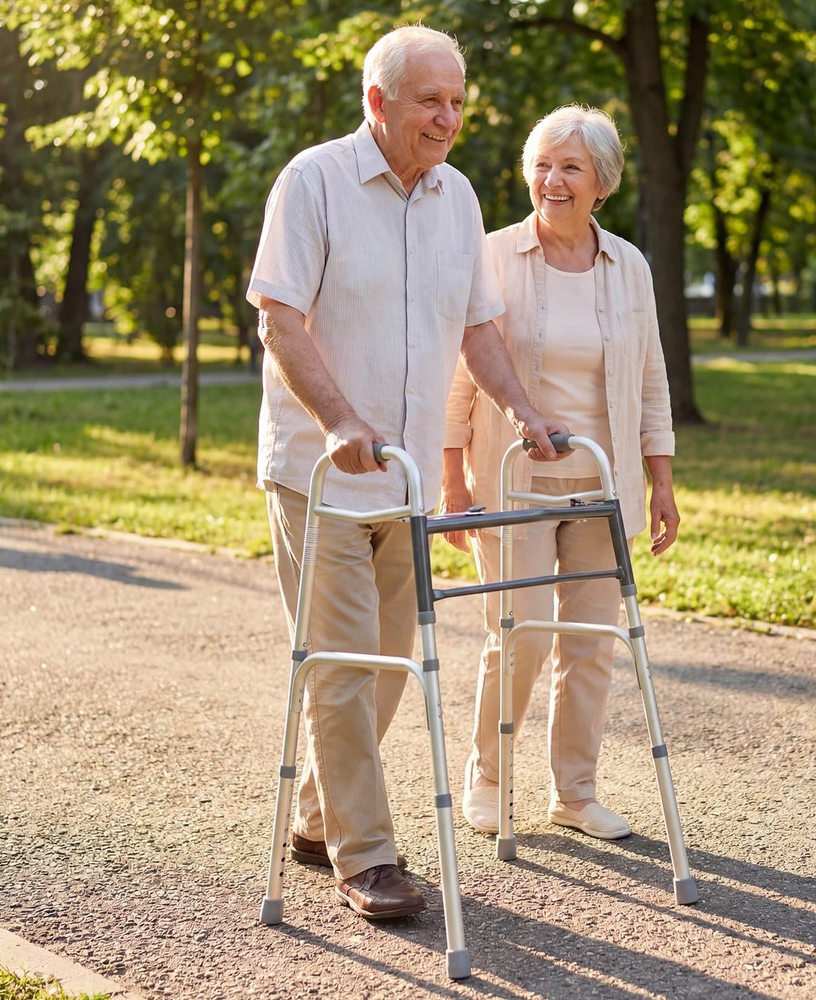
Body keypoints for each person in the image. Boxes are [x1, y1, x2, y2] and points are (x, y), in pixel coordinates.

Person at [246, 26, 567, 920]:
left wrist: (525, 411)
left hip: (406, 477)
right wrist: (339, 419)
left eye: (458, 101)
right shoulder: (313, 181)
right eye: (431, 100)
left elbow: (477, 328)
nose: (448, 118)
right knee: (344, 664)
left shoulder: (456, 197)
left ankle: (319, 816)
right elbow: (278, 319)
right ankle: (368, 857)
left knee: (389, 661)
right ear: (378, 101)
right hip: (321, 474)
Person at [441, 104, 680, 842]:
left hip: (602, 486)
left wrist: (661, 479)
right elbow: (460, 374)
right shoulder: (493, 256)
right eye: (542, 165)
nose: (552, 180)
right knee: (519, 635)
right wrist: (453, 480)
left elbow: (650, 375)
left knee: (589, 644)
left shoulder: (629, 266)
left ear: (601, 183)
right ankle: (488, 778)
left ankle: (574, 793)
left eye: (570, 167)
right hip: (511, 481)